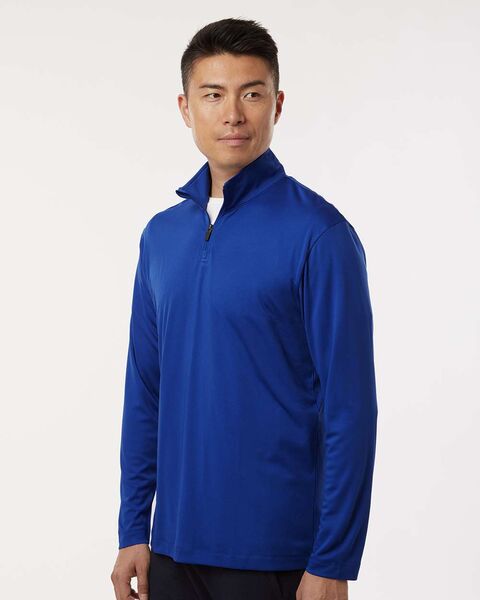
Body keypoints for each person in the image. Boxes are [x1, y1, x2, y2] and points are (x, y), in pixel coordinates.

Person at [110, 17, 378, 600]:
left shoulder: (320, 235)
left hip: (277, 555)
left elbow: (349, 410)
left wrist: (332, 561)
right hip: (172, 551)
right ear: (185, 108)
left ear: (277, 104)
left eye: (251, 94)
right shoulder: (161, 237)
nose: (232, 114)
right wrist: (134, 527)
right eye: (213, 95)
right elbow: (145, 390)